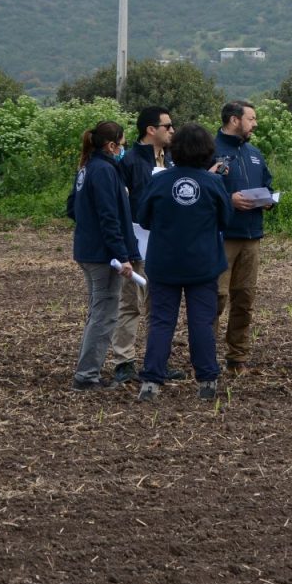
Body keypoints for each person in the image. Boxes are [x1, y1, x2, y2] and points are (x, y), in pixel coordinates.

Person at [134, 122, 229, 402]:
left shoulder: (160, 180)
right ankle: (207, 380)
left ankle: (151, 382)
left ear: (176, 149)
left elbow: (144, 217)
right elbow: (227, 220)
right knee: (201, 322)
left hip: (164, 263)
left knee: (162, 322)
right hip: (202, 263)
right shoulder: (213, 182)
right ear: (207, 151)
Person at [67, 119, 139, 391]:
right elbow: (110, 217)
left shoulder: (86, 168)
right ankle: (86, 376)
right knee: (104, 314)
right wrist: (121, 255)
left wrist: (88, 228)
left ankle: (87, 371)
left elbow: (72, 207)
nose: (123, 149)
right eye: (122, 144)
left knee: (98, 310)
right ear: (111, 145)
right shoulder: (106, 172)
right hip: (103, 256)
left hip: (87, 249)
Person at [107, 106, 175, 385]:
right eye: (167, 126)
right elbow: (120, 205)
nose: (172, 130)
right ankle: (124, 361)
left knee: (160, 306)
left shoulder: (172, 160)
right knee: (129, 303)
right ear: (151, 130)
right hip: (137, 244)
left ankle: (158, 361)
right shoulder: (130, 162)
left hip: (165, 244)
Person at [213, 99, 276, 373]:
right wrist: (229, 201)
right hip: (222, 237)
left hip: (252, 237)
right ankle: (205, 357)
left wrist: (269, 199)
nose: (255, 123)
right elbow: (203, 192)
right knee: (216, 298)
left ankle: (237, 357)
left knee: (244, 299)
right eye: (251, 118)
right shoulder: (210, 151)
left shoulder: (254, 154)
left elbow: (268, 184)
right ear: (234, 120)